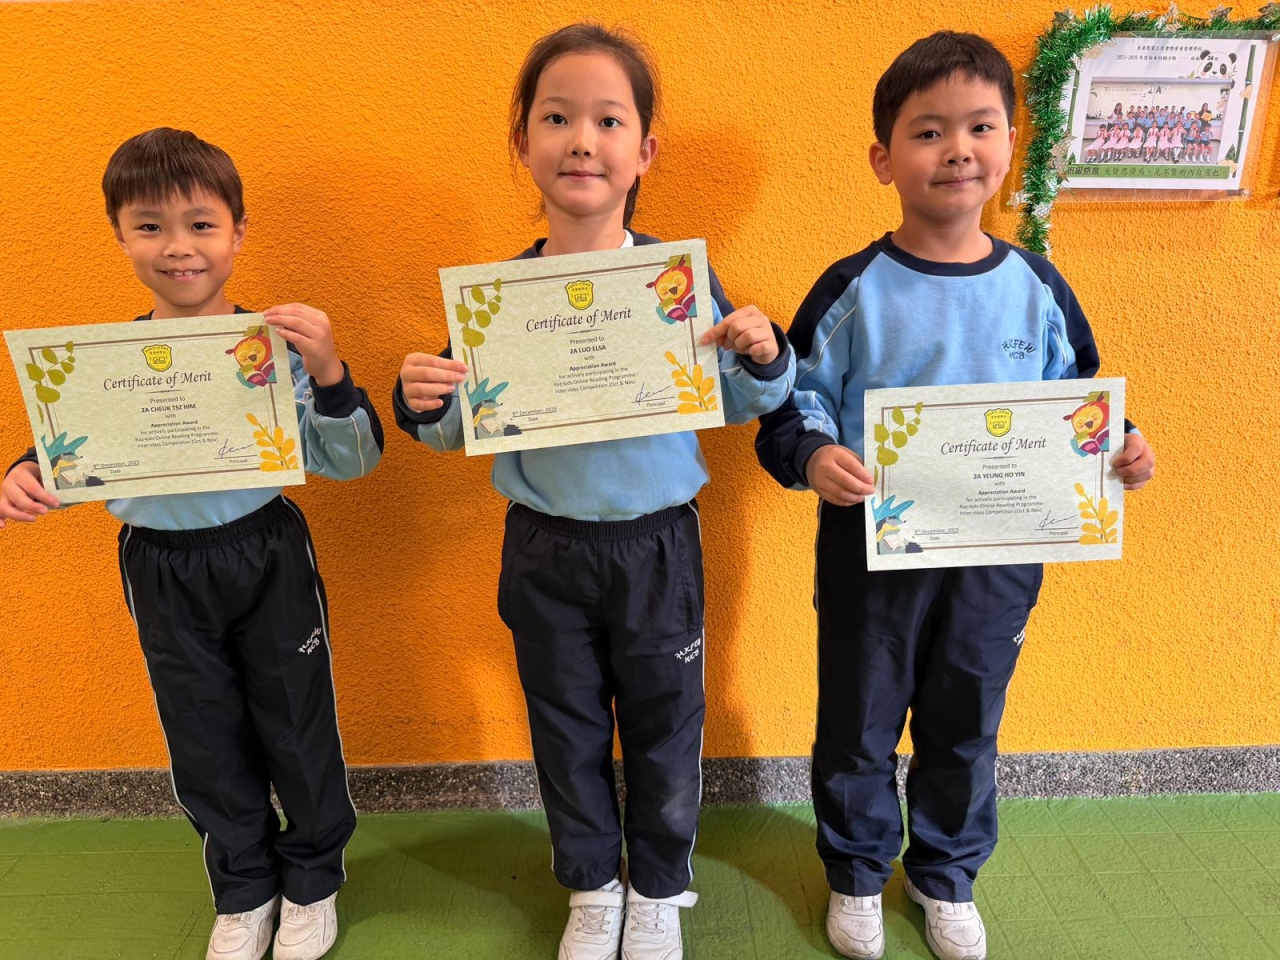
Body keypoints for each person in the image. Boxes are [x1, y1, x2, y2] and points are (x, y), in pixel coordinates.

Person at [393, 24, 794, 960]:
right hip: (545, 545)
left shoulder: (678, 285)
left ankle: (656, 885)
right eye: (557, 118)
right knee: (564, 724)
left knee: (666, 723)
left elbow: (743, 399)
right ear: (522, 141)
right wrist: (421, 399)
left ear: (644, 150)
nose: (583, 140)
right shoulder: (497, 302)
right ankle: (590, 883)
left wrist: (764, 353)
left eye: (609, 121)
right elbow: (455, 428)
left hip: (658, 544)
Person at [754, 33, 1156, 960]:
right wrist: (814, 455)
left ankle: (946, 874)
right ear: (883, 158)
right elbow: (790, 401)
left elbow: (1079, 402)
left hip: (998, 562)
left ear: (1012, 143)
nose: (957, 150)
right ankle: (858, 871)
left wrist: (1122, 450)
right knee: (858, 721)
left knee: (967, 720)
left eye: (979, 127)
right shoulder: (854, 289)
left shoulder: (1037, 288)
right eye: (928, 131)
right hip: (871, 554)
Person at [0, 128, 384, 960]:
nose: (178, 246)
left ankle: (312, 879)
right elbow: (72, 455)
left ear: (237, 233)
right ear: (120, 236)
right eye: (150, 226)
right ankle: (244, 889)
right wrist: (24, 475)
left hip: (266, 552)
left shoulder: (274, 350)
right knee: (201, 733)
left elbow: (355, 461)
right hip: (162, 565)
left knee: (297, 721)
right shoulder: (103, 367)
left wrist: (327, 370)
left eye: (201, 224)